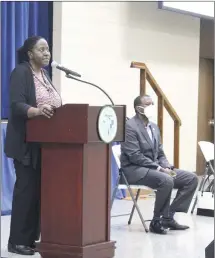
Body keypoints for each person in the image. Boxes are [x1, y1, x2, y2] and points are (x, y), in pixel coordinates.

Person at [5, 36, 62, 255]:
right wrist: (37, 111)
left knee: (39, 193)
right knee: (26, 192)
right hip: (26, 143)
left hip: (46, 144)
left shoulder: (45, 75)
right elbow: (17, 105)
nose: (47, 53)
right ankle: (16, 241)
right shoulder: (21, 72)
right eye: (42, 49)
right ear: (30, 53)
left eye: (48, 49)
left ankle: (31, 239)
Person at [120, 95, 198, 234]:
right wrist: (159, 168)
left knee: (191, 178)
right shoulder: (129, 127)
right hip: (135, 170)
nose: (152, 107)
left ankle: (167, 217)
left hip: (155, 168)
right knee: (166, 179)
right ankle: (156, 221)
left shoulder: (154, 127)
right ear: (139, 108)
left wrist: (166, 165)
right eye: (148, 104)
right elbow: (135, 156)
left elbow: (160, 152)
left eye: (152, 104)